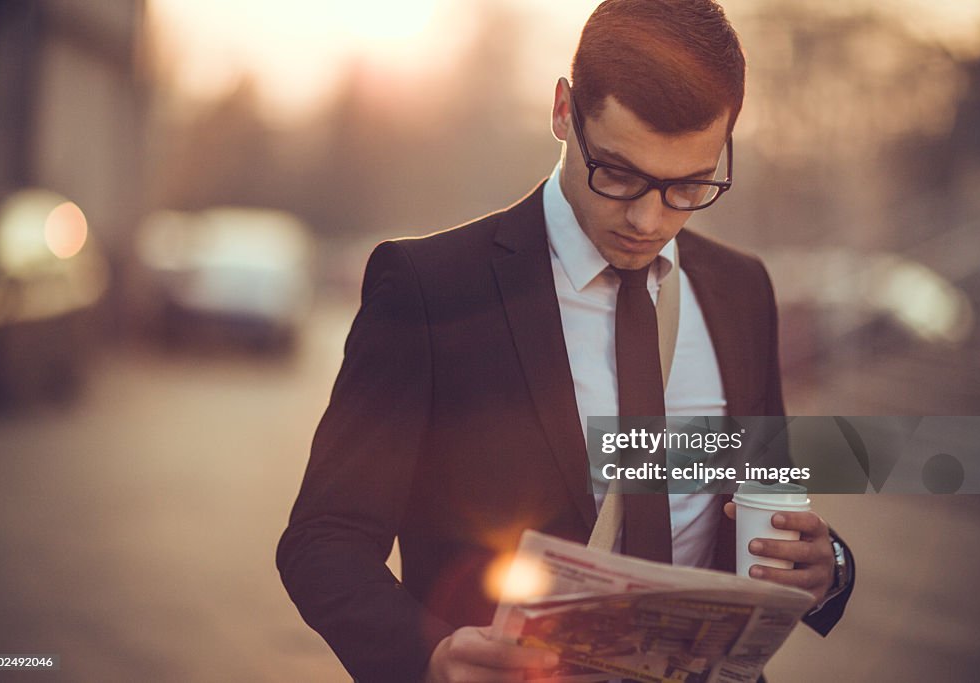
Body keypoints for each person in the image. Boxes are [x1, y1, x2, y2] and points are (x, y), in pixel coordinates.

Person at [277, 1, 854, 681]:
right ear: (562, 111)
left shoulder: (744, 291)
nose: (648, 218)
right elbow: (324, 537)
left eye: (689, 185)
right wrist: (429, 655)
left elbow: (763, 491)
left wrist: (827, 564)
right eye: (618, 173)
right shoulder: (429, 288)